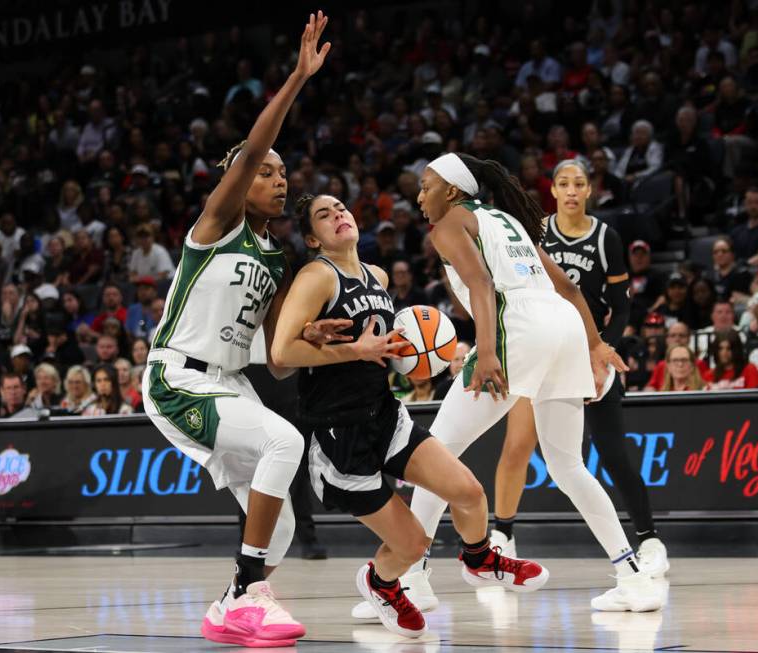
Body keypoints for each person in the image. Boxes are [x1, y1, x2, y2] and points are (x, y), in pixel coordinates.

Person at [380, 152, 662, 615]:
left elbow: (481, 285)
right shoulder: (504, 220)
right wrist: (594, 346)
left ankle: (411, 579)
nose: (419, 194)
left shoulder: (451, 222)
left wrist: (486, 351)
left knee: (435, 454)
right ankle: (632, 577)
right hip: (563, 326)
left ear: (451, 190)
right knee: (569, 465)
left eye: (427, 184)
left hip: (518, 330)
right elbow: (569, 291)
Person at [273, 193, 548, 640]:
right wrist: (354, 350)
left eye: (341, 207)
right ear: (312, 238)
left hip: (385, 416)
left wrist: (420, 353)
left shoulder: (376, 274)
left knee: (470, 493)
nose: (339, 215)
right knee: (414, 545)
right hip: (340, 435)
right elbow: (282, 353)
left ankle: (480, 559)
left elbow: (388, 345)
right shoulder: (316, 277)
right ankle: (379, 583)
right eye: (324, 215)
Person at [140, 14, 331, 648]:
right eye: (268, 173)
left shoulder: (277, 259)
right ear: (242, 181)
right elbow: (251, 148)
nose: (279, 180)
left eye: (283, 175)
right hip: (177, 377)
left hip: (229, 384)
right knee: (285, 443)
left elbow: (277, 360)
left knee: (272, 528)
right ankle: (250, 593)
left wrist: (326, 341)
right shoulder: (215, 225)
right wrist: (299, 79)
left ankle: (229, 606)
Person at [493, 160, 668, 578]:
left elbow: (622, 305)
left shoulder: (606, 236)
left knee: (612, 454)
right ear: (552, 190)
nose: (572, 190)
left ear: (590, 190)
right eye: (564, 183)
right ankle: (503, 535)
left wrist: (603, 349)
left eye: (580, 184)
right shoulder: (534, 232)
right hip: (542, 349)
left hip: (589, 353)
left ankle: (649, 540)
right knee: (518, 444)